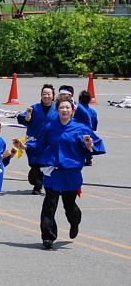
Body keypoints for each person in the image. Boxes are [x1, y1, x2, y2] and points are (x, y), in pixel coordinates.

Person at [25, 98, 105, 250]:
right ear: (58, 110)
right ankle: (48, 237)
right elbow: (39, 144)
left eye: (67, 107)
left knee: (69, 205)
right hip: (53, 171)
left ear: (72, 110)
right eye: (62, 107)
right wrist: (26, 146)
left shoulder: (81, 128)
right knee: (49, 205)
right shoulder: (49, 127)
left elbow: (96, 145)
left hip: (71, 173)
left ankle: (74, 221)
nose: (64, 110)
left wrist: (90, 146)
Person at [17, 84, 58, 194]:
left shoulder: (57, 109)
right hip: (34, 140)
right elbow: (22, 118)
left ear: (53, 96)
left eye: (49, 94)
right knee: (35, 163)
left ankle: (40, 186)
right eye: (44, 94)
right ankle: (37, 183)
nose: (46, 96)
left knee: (47, 162)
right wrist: (27, 117)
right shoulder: (34, 108)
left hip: (49, 141)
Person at [77, 89, 99, 166]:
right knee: (88, 143)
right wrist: (93, 129)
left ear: (79, 99)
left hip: (79, 130)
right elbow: (95, 121)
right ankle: (89, 158)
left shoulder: (77, 110)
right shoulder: (93, 111)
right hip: (89, 131)